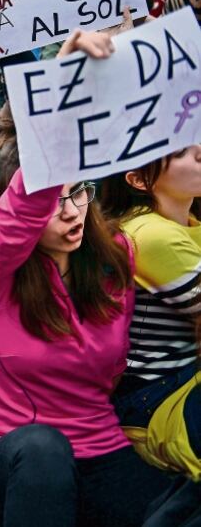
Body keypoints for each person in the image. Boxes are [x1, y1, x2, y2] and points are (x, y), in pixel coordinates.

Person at [0, 30, 172, 527]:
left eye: (78, 192)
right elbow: (28, 198)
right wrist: (61, 90)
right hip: (8, 455)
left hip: (100, 447)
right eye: (53, 201)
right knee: (43, 449)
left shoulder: (115, 256)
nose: (72, 211)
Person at [99, 146, 201, 480]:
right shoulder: (151, 233)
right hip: (158, 398)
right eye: (181, 151)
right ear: (139, 179)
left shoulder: (187, 223)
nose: (200, 153)